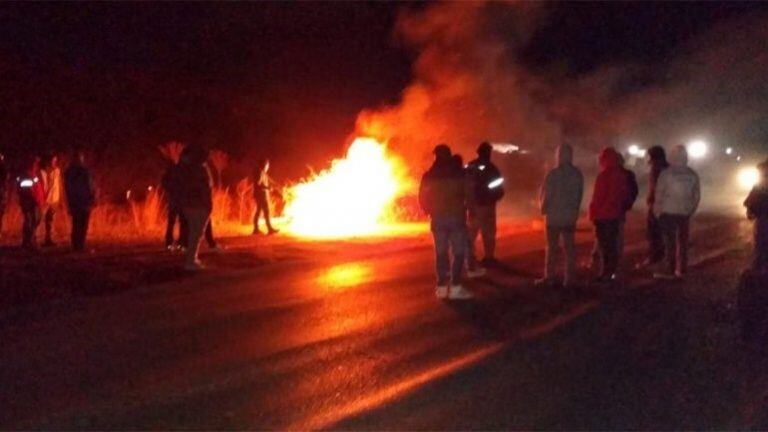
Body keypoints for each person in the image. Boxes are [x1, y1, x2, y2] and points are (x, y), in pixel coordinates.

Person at [419, 144, 473, 299]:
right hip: (456, 218)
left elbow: (422, 198)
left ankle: (441, 287)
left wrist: (430, 211)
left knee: (441, 253)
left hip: (437, 219)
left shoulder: (428, 175)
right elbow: (469, 195)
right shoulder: (460, 174)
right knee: (458, 252)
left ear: (435, 156)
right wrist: (470, 211)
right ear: (449, 156)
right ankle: (455, 287)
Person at [536, 144, 584, 287]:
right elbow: (579, 195)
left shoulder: (553, 174)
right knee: (569, 248)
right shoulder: (577, 174)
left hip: (554, 218)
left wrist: (543, 209)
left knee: (552, 248)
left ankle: (549, 277)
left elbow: (546, 195)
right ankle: (569, 279)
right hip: (569, 217)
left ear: (558, 156)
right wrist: (575, 211)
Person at [653, 145, 700, 280]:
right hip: (684, 213)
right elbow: (696, 195)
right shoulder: (692, 174)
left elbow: (659, 194)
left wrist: (657, 211)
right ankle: (682, 269)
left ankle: (670, 269)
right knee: (683, 243)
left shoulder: (666, 173)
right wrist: (691, 209)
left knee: (670, 243)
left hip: (667, 212)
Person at [589, 147, 632, 282]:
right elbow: (624, 195)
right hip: (615, 215)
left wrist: (593, 213)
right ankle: (612, 271)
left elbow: (598, 197)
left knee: (604, 246)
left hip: (603, 216)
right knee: (612, 245)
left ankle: (605, 272)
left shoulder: (604, 175)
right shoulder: (621, 175)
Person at [466, 142, 504, 266]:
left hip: (473, 206)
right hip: (487, 206)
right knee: (488, 232)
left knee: (471, 233)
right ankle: (489, 257)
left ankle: (470, 256)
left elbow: (463, 186)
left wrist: (466, 203)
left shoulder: (470, 166)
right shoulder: (492, 168)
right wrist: (495, 197)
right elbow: (499, 188)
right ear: (488, 153)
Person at [177, 145, 213, 270]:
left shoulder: (188, 169)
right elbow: (205, 189)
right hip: (198, 206)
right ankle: (191, 261)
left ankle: (191, 258)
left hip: (190, 205)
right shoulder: (200, 170)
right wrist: (208, 205)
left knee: (194, 233)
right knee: (196, 234)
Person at [452, 154, 485, 278]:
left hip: (446, 216)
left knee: (452, 245)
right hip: (458, 216)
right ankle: (470, 268)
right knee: (466, 243)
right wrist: (472, 211)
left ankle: (452, 271)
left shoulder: (447, 177)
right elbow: (469, 196)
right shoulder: (463, 177)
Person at [638, 145, 669, 268]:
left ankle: (656, 256)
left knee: (654, 231)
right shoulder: (665, 168)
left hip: (658, 205)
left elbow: (657, 186)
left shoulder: (658, 168)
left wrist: (652, 198)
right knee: (659, 232)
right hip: (662, 204)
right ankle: (661, 255)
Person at [64, 148, 96, 251]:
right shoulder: (83, 171)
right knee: (81, 224)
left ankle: (77, 244)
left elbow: (68, 188)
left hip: (77, 201)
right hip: (82, 201)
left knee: (77, 224)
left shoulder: (69, 172)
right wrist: (92, 197)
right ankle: (79, 244)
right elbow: (89, 186)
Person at [17, 155, 45, 251]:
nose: (36, 165)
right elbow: (28, 190)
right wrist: (35, 200)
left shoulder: (33, 174)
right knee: (30, 222)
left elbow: (37, 188)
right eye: (35, 163)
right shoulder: (26, 175)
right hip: (29, 203)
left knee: (34, 221)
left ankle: (29, 242)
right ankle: (29, 243)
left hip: (34, 202)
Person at [744, 160, 768, 272]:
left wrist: (750, 209)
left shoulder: (761, 183)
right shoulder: (761, 184)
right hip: (762, 216)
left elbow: (752, 198)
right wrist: (750, 209)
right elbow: (753, 197)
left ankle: (760, 265)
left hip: (762, 216)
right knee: (761, 240)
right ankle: (759, 264)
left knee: (761, 241)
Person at [161, 159, 187, 251]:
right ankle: (181, 244)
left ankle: (170, 243)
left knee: (172, 223)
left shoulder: (171, 169)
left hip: (175, 200)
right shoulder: (184, 170)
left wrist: (169, 191)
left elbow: (163, 182)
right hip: (180, 200)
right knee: (182, 223)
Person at [40, 153, 63, 247]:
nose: (54, 162)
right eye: (52, 161)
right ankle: (36, 238)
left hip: (54, 199)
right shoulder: (44, 172)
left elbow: (58, 185)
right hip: (46, 199)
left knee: (51, 220)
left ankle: (48, 239)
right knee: (41, 219)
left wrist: (60, 198)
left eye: (55, 161)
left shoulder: (57, 171)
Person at [253, 158, 278, 235]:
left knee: (258, 211)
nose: (268, 167)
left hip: (259, 194)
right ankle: (269, 229)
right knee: (266, 211)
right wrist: (267, 188)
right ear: (265, 165)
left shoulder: (262, 172)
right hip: (260, 194)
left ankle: (256, 229)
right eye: (267, 165)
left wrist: (270, 186)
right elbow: (257, 184)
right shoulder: (260, 172)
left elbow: (263, 183)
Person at [0, 152, 8, 237]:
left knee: (1, 213)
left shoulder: (3, 168)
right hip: (2, 193)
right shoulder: (3, 168)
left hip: (2, 193)